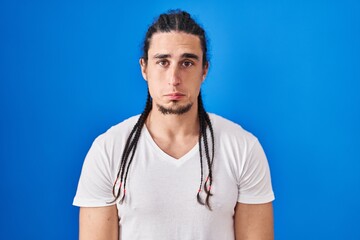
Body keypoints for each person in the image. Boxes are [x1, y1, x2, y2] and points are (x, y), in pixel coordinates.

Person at [73, 9, 275, 240]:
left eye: (187, 63)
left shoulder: (243, 148)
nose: (174, 78)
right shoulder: (108, 150)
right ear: (144, 68)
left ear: (204, 70)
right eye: (162, 62)